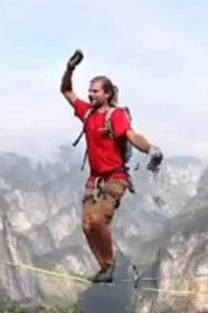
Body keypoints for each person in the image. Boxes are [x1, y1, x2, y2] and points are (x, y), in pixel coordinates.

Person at [60, 49, 163, 283]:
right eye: (90, 91)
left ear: (107, 94)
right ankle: (104, 266)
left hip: (115, 178)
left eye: (95, 91)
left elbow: (132, 136)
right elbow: (66, 91)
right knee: (87, 226)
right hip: (94, 179)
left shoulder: (115, 116)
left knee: (98, 221)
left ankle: (109, 265)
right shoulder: (87, 113)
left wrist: (150, 149)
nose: (90, 94)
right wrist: (69, 69)